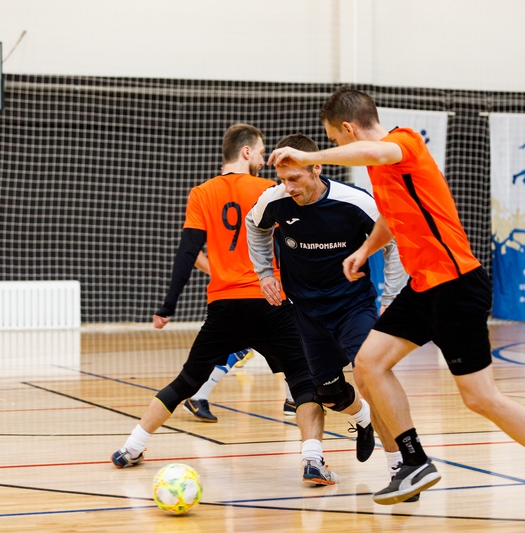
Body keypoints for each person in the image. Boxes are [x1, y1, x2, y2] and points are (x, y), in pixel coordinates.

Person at [267, 89, 525, 524]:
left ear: (347, 129)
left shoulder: (404, 142)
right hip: (423, 287)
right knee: (369, 365)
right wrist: (364, 251)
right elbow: (392, 217)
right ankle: (414, 460)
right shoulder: (382, 170)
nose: (338, 148)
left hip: (456, 285)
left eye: (336, 141)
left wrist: (308, 156)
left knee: (480, 397)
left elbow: (375, 150)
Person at [112, 123, 336, 486]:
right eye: (261, 152)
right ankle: (312, 460)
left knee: (186, 381)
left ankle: (131, 448)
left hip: (224, 305)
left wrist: (168, 305)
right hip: (270, 301)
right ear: (246, 152)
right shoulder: (270, 190)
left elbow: (188, 253)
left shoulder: (201, 193)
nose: (264, 159)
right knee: (303, 380)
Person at [246, 132, 415, 494]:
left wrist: (391, 296)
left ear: (317, 168)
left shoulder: (354, 202)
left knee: (371, 379)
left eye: (295, 178)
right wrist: (264, 273)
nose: (289, 187)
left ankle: (400, 467)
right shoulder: (274, 200)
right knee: (328, 394)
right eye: (283, 179)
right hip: (306, 313)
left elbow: (394, 239)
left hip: (353, 307)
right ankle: (363, 420)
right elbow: (254, 227)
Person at [182, 252, 296, 422]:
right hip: (250, 290)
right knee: (286, 341)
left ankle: (293, 400)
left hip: (267, 286)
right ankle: (197, 395)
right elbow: (192, 251)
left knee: (278, 342)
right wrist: (220, 273)